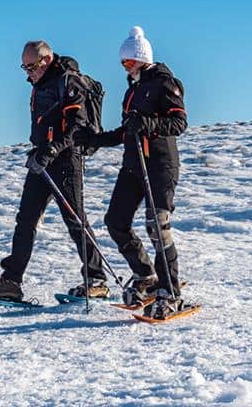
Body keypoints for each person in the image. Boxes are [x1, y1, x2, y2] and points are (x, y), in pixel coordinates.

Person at [0, 40, 109, 301]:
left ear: (46, 60)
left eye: (32, 67)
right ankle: (11, 281)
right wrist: (40, 149)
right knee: (26, 219)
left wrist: (52, 149)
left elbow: (76, 126)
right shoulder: (40, 85)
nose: (28, 73)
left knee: (74, 219)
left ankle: (96, 280)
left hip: (66, 159)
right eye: (24, 68)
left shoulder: (68, 81)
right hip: (42, 160)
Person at [76, 26, 187, 318]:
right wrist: (96, 140)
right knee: (116, 221)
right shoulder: (132, 90)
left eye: (130, 61)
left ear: (143, 59)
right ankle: (145, 276)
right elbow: (127, 131)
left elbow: (178, 123)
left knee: (157, 226)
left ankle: (170, 292)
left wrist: (148, 124)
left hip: (160, 165)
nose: (126, 66)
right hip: (133, 166)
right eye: (123, 62)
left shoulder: (165, 83)